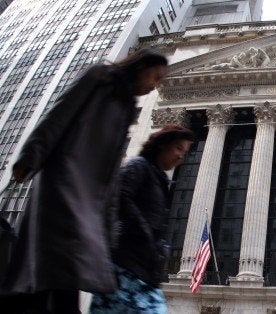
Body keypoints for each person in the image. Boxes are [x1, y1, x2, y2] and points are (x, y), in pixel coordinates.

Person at [1, 48, 168, 313]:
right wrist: (31, 155)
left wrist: (111, 218)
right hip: (64, 179)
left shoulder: (126, 109)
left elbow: (113, 167)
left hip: (90, 195)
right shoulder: (101, 77)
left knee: (62, 266)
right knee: (60, 261)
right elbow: (60, 114)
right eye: (154, 77)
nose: (154, 86)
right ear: (141, 67)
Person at [90, 125, 193, 313]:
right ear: (163, 144)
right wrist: (143, 231)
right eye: (178, 148)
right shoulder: (139, 165)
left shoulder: (160, 180)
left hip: (144, 270)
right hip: (124, 264)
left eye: (185, 152)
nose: (181, 156)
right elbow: (119, 196)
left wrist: (159, 247)